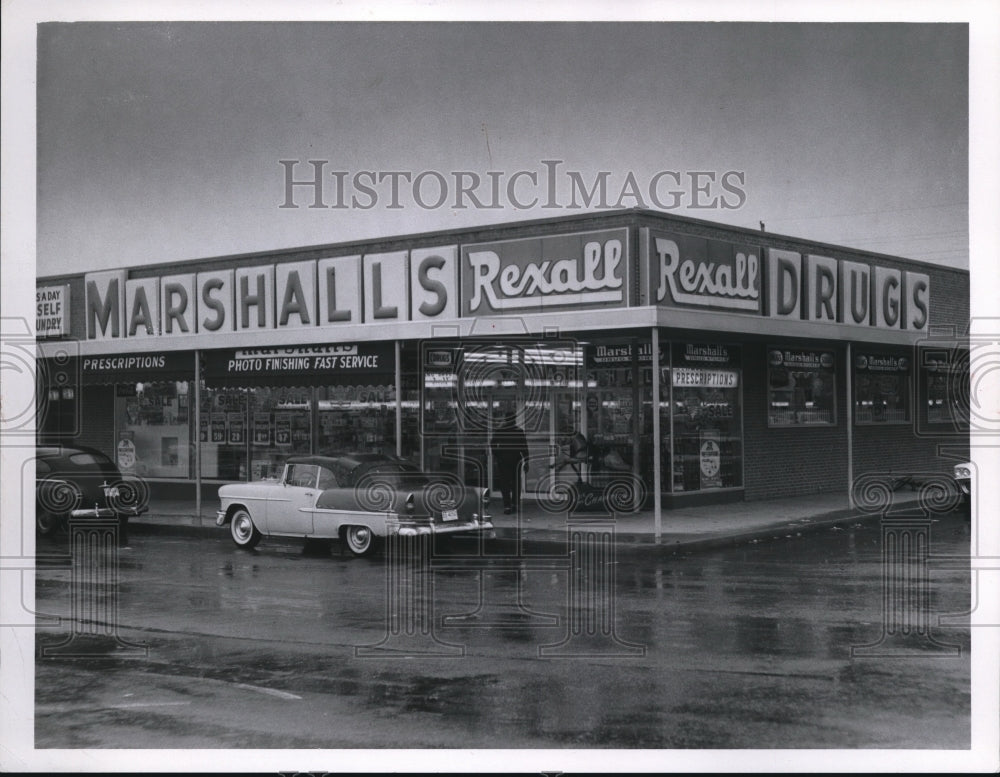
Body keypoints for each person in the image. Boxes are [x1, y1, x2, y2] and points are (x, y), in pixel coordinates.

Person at [490, 417, 528, 514]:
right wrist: (526, 461)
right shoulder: (519, 431)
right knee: (516, 483)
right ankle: (515, 504)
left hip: (504, 460)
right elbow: (524, 447)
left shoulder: (500, 431)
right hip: (516, 459)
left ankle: (507, 506)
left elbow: (493, 444)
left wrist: (498, 454)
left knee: (505, 484)